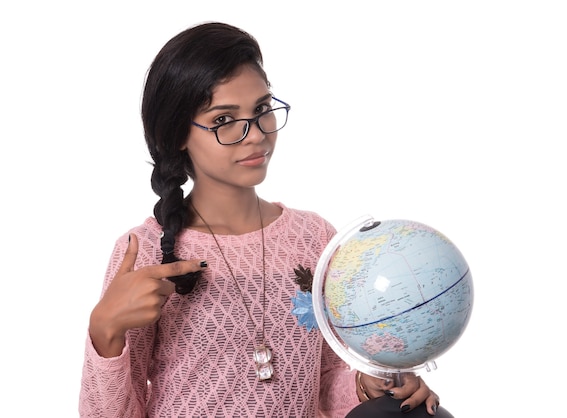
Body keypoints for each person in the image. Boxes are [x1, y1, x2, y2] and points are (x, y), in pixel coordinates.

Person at [79, 21, 446, 417]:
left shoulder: (314, 237)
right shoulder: (147, 253)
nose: (254, 134)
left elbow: (325, 378)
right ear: (177, 134)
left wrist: (365, 384)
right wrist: (105, 330)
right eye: (223, 120)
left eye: (262, 110)